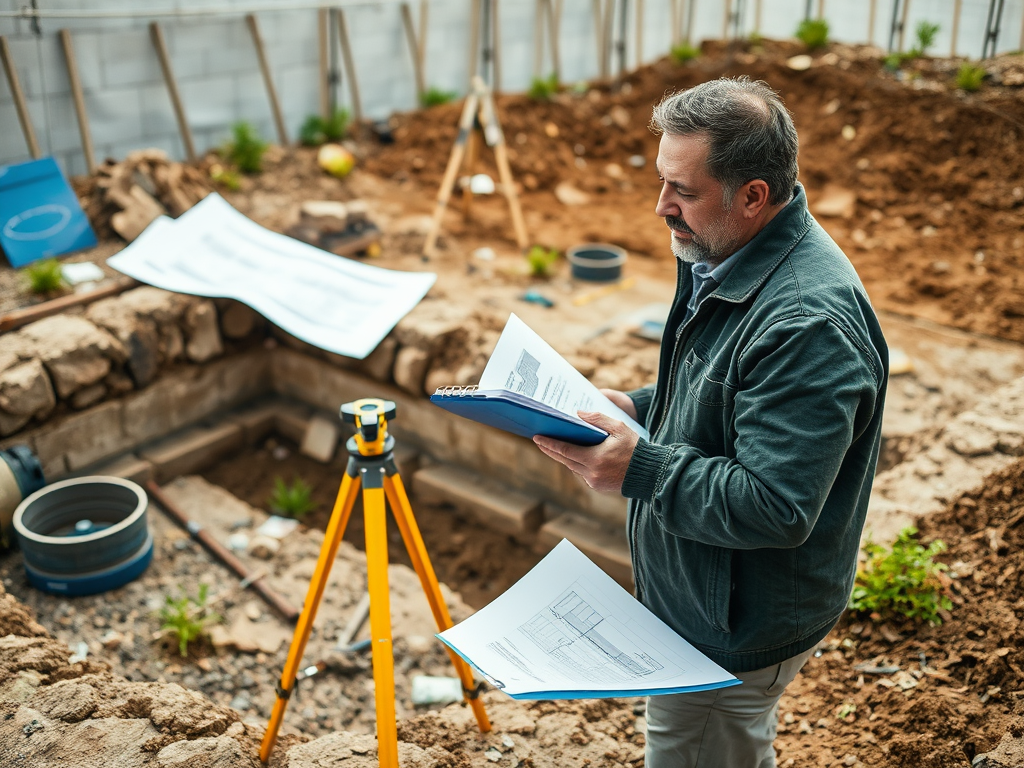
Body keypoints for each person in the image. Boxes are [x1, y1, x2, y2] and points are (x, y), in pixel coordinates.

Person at [533, 76, 888, 768]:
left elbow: (777, 505)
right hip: (710, 595)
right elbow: (727, 384)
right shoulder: (730, 247)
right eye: (664, 182)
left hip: (733, 623)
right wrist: (640, 405)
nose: (661, 207)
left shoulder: (807, 324)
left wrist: (640, 467)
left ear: (753, 194)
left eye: (683, 191)